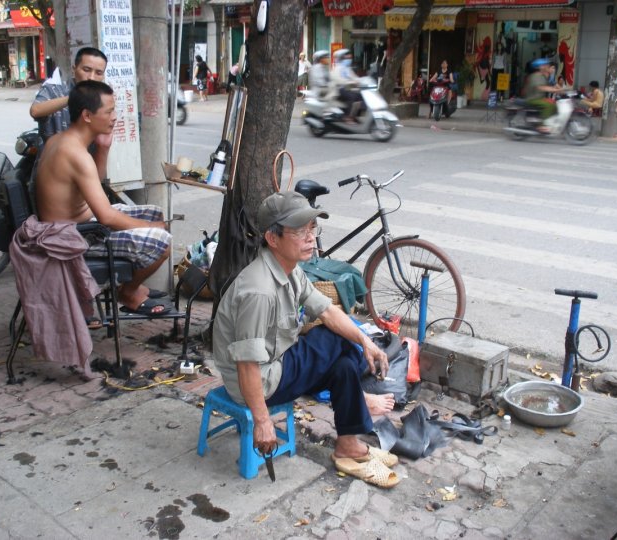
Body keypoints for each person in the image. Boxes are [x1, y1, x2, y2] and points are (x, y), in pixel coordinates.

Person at [212, 191, 399, 489]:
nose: (310, 238)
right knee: (339, 343)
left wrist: (368, 343)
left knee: (343, 355)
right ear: (273, 239)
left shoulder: (290, 271)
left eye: (312, 229)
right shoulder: (259, 291)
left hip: (278, 364)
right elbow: (247, 365)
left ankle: (348, 444)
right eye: (300, 231)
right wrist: (262, 421)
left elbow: (325, 310)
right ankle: (350, 438)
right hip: (259, 383)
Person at [36, 80, 173, 317]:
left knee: (155, 213)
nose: (114, 117)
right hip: (72, 236)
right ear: (87, 115)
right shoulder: (75, 153)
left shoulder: (62, 140)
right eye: (109, 112)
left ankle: (130, 284)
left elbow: (92, 184)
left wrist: (103, 148)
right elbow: (106, 216)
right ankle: (128, 292)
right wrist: (151, 227)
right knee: (163, 241)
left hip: (82, 222)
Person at [29, 47, 110, 181]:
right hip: (52, 179)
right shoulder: (54, 91)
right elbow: (35, 110)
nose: (91, 77)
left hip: (86, 181)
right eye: (86, 70)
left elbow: (101, 151)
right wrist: (75, 97)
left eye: (98, 73)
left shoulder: (102, 101)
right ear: (74, 68)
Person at [524, 58, 565, 132]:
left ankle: (549, 123)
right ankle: (541, 125)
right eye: (545, 65)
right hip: (533, 99)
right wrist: (555, 90)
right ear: (540, 67)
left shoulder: (543, 76)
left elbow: (552, 85)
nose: (547, 67)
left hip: (540, 98)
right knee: (548, 105)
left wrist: (560, 90)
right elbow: (541, 88)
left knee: (554, 103)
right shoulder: (536, 76)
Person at [330, 49, 363, 123]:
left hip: (347, 89)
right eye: (347, 58)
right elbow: (338, 80)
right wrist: (349, 82)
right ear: (342, 58)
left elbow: (354, 77)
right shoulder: (337, 68)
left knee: (360, 96)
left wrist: (361, 81)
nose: (349, 60)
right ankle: (347, 117)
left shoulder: (347, 69)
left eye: (350, 58)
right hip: (338, 90)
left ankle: (353, 116)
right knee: (352, 97)